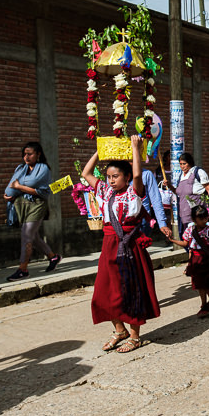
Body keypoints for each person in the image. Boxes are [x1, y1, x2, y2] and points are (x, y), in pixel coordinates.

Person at [83, 136, 160, 353]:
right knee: (104, 292)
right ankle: (119, 330)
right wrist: (102, 151)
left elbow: (137, 173)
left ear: (125, 177)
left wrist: (135, 148)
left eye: (115, 176)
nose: (111, 180)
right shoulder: (106, 192)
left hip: (129, 245)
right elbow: (86, 173)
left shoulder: (134, 192)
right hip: (109, 245)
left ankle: (135, 336)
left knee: (132, 290)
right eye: (108, 177)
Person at [3, 142, 62, 281]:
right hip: (22, 205)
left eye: (30, 154)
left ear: (38, 154)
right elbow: (13, 185)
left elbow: (37, 189)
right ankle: (53, 257)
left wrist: (18, 186)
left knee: (26, 234)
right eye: (24, 154)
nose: (26, 157)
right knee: (33, 236)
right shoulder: (21, 168)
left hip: (37, 205)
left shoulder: (43, 169)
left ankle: (22, 269)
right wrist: (9, 194)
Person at [167, 205, 209, 317]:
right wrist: (173, 240)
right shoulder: (190, 229)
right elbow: (185, 244)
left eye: (206, 218)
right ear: (194, 219)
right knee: (200, 284)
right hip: (196, 260)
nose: (204, 221)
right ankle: (204, 304)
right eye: (201, 219)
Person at [174, 152, 209, 232]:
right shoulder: (181, 176)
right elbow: (178, 192)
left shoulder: (198, 172)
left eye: (184, 164)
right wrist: (169, 185)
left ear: (190, 163)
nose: (182, 166)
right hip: (184, 215)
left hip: (198, 215)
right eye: (180, 164)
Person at [140, 168, 171, 237]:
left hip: (142, 222)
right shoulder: (116, 174)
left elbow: (155, 199)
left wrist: (162, 223)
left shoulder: (146, 174)